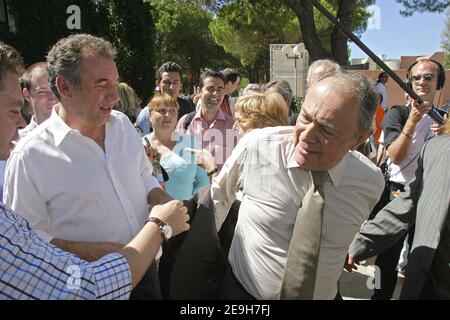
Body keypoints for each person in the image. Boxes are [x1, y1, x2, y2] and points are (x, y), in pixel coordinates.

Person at [0, 40, 190, 299]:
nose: (114, 96)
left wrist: (163, 202)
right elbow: (26, 244)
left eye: (115, 82)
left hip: (147, 274)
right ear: (65, 86)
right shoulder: (29, 156)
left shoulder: (123, 125)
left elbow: (144, 177)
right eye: (102, 84)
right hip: (84, 289)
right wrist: (97, 253)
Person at [211, 71, 384, 299]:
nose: (307, 135)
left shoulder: (369, 183)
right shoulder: (256, 147)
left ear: (359, 139)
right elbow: (217, 201)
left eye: (326, 129)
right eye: (305, 118)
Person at [370, 58, 447, 300]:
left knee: (423, 257)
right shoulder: (397, 114)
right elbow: (395, 155)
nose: (422, 82)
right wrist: (412, 123)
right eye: (416, 78)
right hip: (398, 194)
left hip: (430, 198)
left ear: (439, 83)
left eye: (428, 77)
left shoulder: (445, 120)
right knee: (384, 259)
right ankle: (377, 296)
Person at [346, 119, 450, 299]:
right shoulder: (436, 148)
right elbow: (408, 201)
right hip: (427, 278)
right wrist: (362, 242)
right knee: (386, 264)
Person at [143, 93, 210, 200]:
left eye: (172, 111)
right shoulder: (140, 145)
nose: (167, 115)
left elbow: (203, 181)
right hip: (151, 213)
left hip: (186, 212)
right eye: (161, 110)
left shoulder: (190, 142)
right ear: (150, 116)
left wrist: (192, 206)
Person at [176, 69, 238, 169]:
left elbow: (235, 167)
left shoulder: (232, 127)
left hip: (219, 184)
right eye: (210, 89)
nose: (215, 94)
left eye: (219, 90)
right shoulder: (185, 122)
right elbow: (178, 159)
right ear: (199, 91)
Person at [136, 62, 195, 135]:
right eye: (167, 82)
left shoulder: (189, 107)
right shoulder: (147, 114)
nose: (171, 87)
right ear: (158, 84)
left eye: (175, 82)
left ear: (181, 85)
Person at [19, 62, 59, 138]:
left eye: (56, 90)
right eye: (43, 92)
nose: (53, 98)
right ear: (27, 94)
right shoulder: (17, 142)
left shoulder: (81, 135)